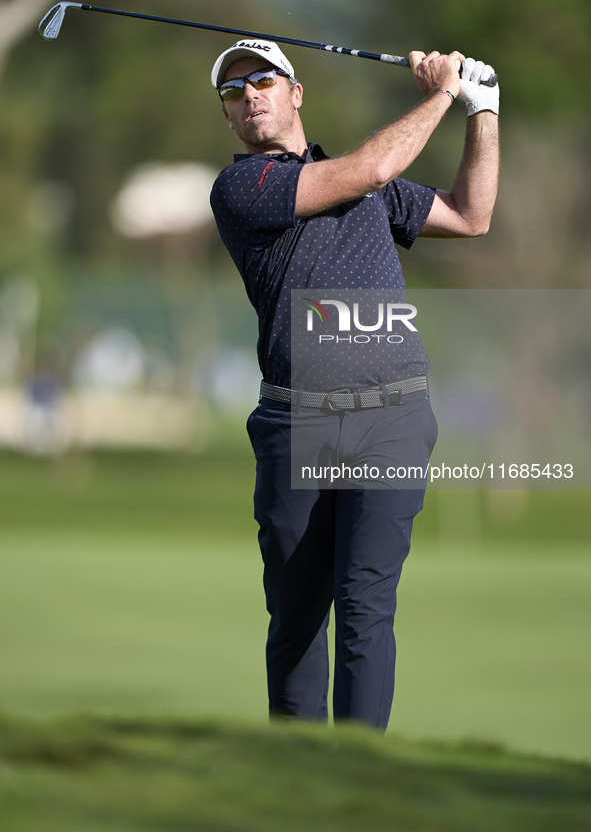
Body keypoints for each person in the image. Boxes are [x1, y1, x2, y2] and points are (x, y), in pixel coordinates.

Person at [209, 39, 499, 729]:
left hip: (391, 417)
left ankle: (361, 785)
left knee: (366, 610)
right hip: (294, 425)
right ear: (227, 117)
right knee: (298, 618)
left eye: (263, 80)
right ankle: (302, 782)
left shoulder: (370, 187)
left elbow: (469, 214)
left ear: (295, 92)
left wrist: (480, 110)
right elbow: (370, 168)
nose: (249, 94)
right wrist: (439, 92)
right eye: (232, 91)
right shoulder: (244, 188)